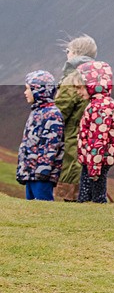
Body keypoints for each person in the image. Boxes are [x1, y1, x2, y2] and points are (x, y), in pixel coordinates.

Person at [54, 34, 96, 202]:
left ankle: (72, 200)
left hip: (73, 136)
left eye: (68, 50)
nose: (67, 54)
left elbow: (60, 111)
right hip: (91, 136)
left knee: (73, 167)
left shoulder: (73, 78)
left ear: (75, 53)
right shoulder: (97, 75)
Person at [76, 61, 114, 204]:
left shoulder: (99, 107)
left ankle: (94, 216)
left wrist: (94, 169)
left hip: (96, 161)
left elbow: (98, 140)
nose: (78, 92)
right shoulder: (101, 104)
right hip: (94, 160)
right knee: (91, 195)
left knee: (94, 197)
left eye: (80, 88)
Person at [16, 71, 64, 201]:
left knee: (43, 206)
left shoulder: (52, 115)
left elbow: (51, 146)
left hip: (42, 175)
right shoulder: (36, 112)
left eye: (28, 89)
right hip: (31, 173)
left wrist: (43, 171)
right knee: (31, 209)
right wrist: (23, 169)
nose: (25, 93)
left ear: (38, 91)